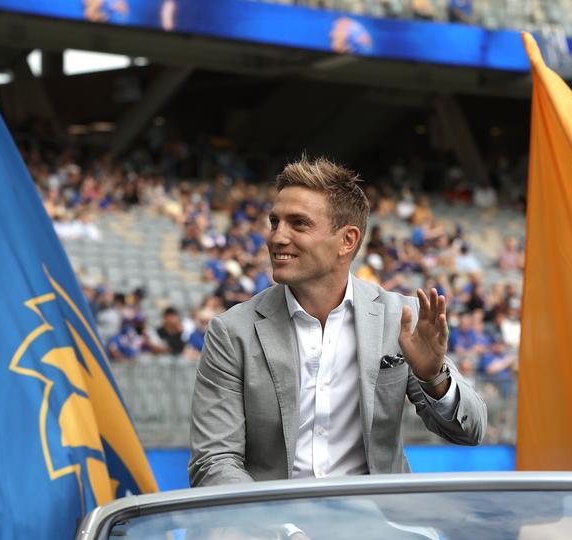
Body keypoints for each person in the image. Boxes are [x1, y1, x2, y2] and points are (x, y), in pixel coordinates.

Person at [189, 157, 486, 487]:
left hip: (378, 521)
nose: (277, 237)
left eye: (298, 224)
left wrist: (433, 377)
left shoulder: (399, 319)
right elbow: (214, 460)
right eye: (275, 222)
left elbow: (470, 431)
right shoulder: (231, 332)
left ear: (347, 240)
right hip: (272, 522)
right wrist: (277, 531)